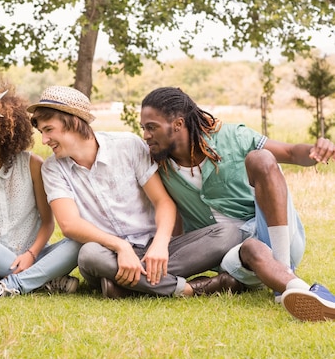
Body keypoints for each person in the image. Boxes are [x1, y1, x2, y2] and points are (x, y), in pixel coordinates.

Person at [139, 86, 335, 321]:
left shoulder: (232, 137)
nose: (146, 136)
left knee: (260, 158)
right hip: (234, 257)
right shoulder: (157, 165)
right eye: (144, 128)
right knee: (251, 248)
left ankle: (283, 271)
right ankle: (304, 291)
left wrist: (316, 150)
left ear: (178, 124)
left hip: (275, 235)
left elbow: (291, 153)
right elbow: (175, 216)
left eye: (152, 127)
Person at [28, 86, 244, 299]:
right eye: (42, 132)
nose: (44, 140)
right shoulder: (52, 168)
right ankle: (187, 289)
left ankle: (125, 286)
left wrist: (160, 244)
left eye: (48, 130)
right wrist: (120, 247)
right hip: (108, 254)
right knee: (89, 255)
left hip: (153, 248)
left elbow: (163, 202)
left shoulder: (128, 145)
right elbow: (69, 224)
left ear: (73, 122)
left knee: (228, 233)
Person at [0, 84, 82, 299]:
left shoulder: (32, 165)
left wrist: (30, 255)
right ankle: (43, 279)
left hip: (34, 255)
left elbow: (48, 224)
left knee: (78, 242)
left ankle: (12, 284)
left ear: (0, 129)